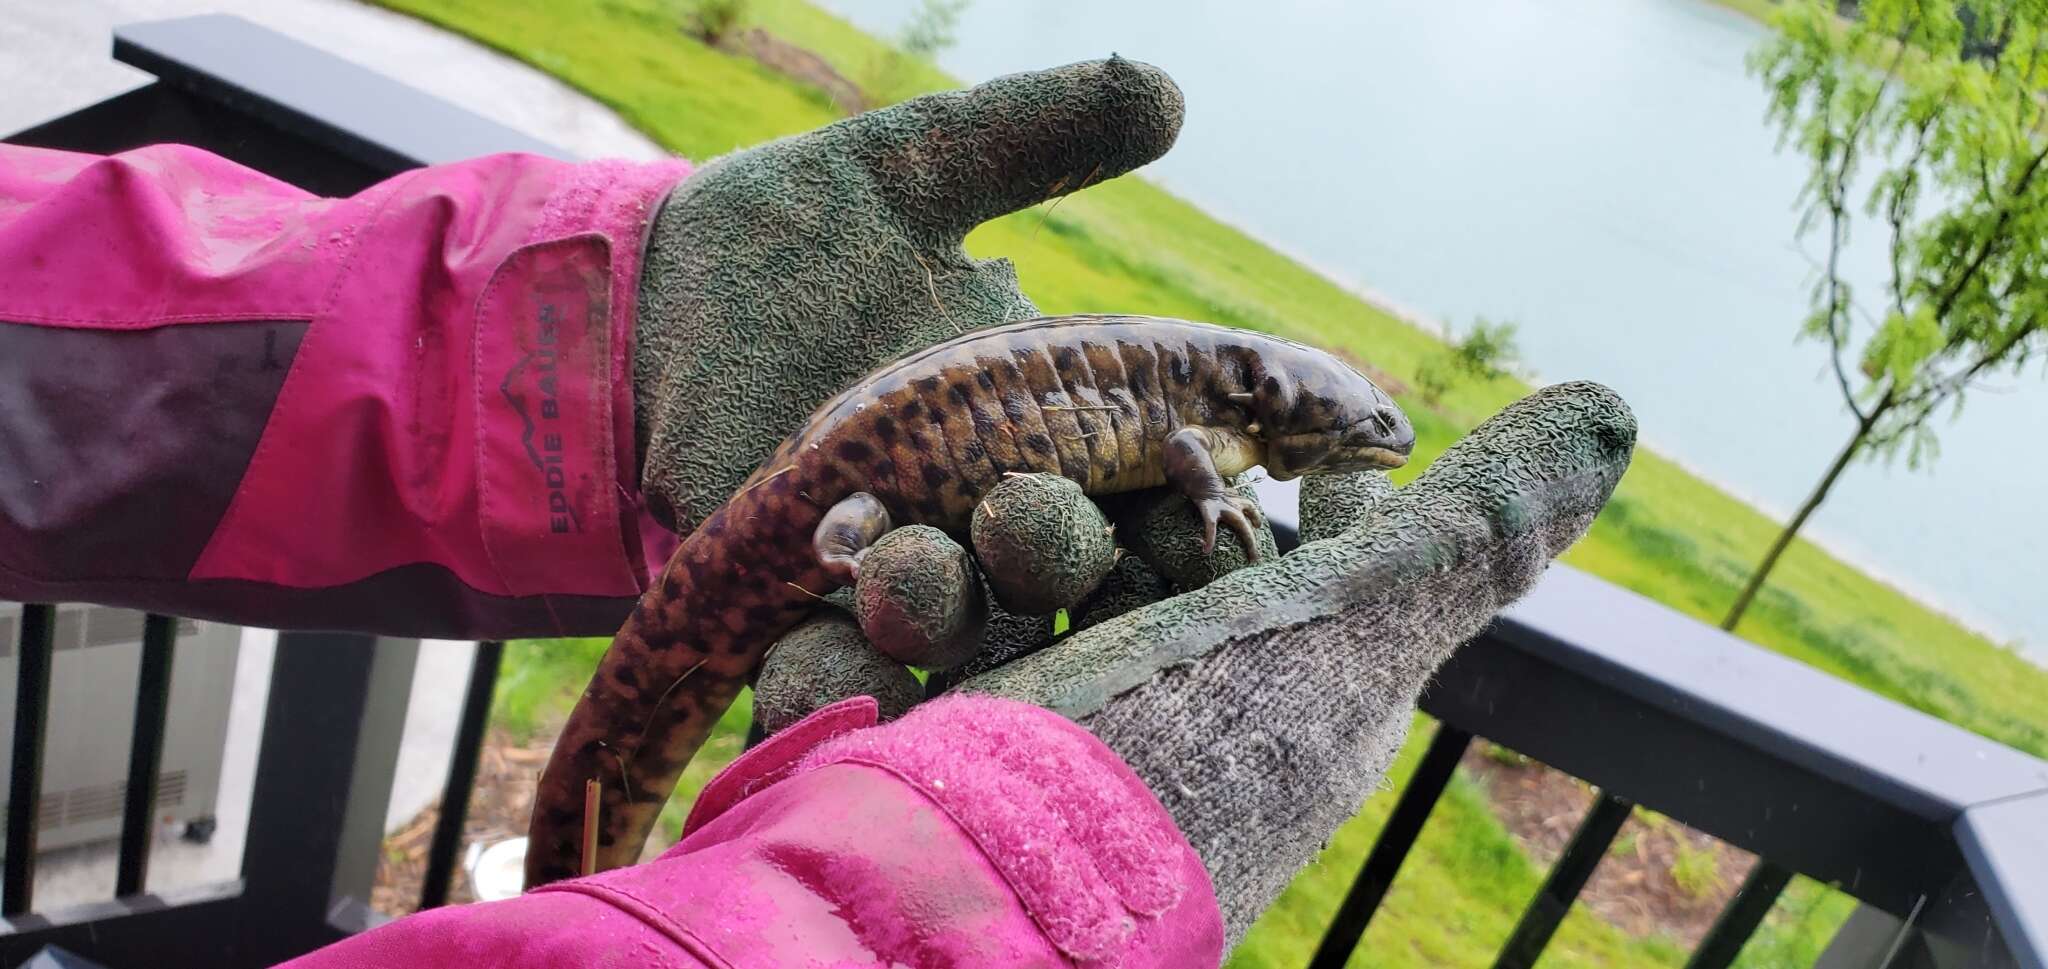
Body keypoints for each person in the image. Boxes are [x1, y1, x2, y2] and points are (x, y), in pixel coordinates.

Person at [0, 57, 1632, 968]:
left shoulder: (1203, 386)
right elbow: (1191, 465)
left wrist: (585, 345)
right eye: (1355, 426)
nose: (1370, 438)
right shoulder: (1205, 418)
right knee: (777, 619)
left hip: (832, 495)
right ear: (1279, 410)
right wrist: (984, 889)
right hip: (827, 509)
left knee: (757, 633)